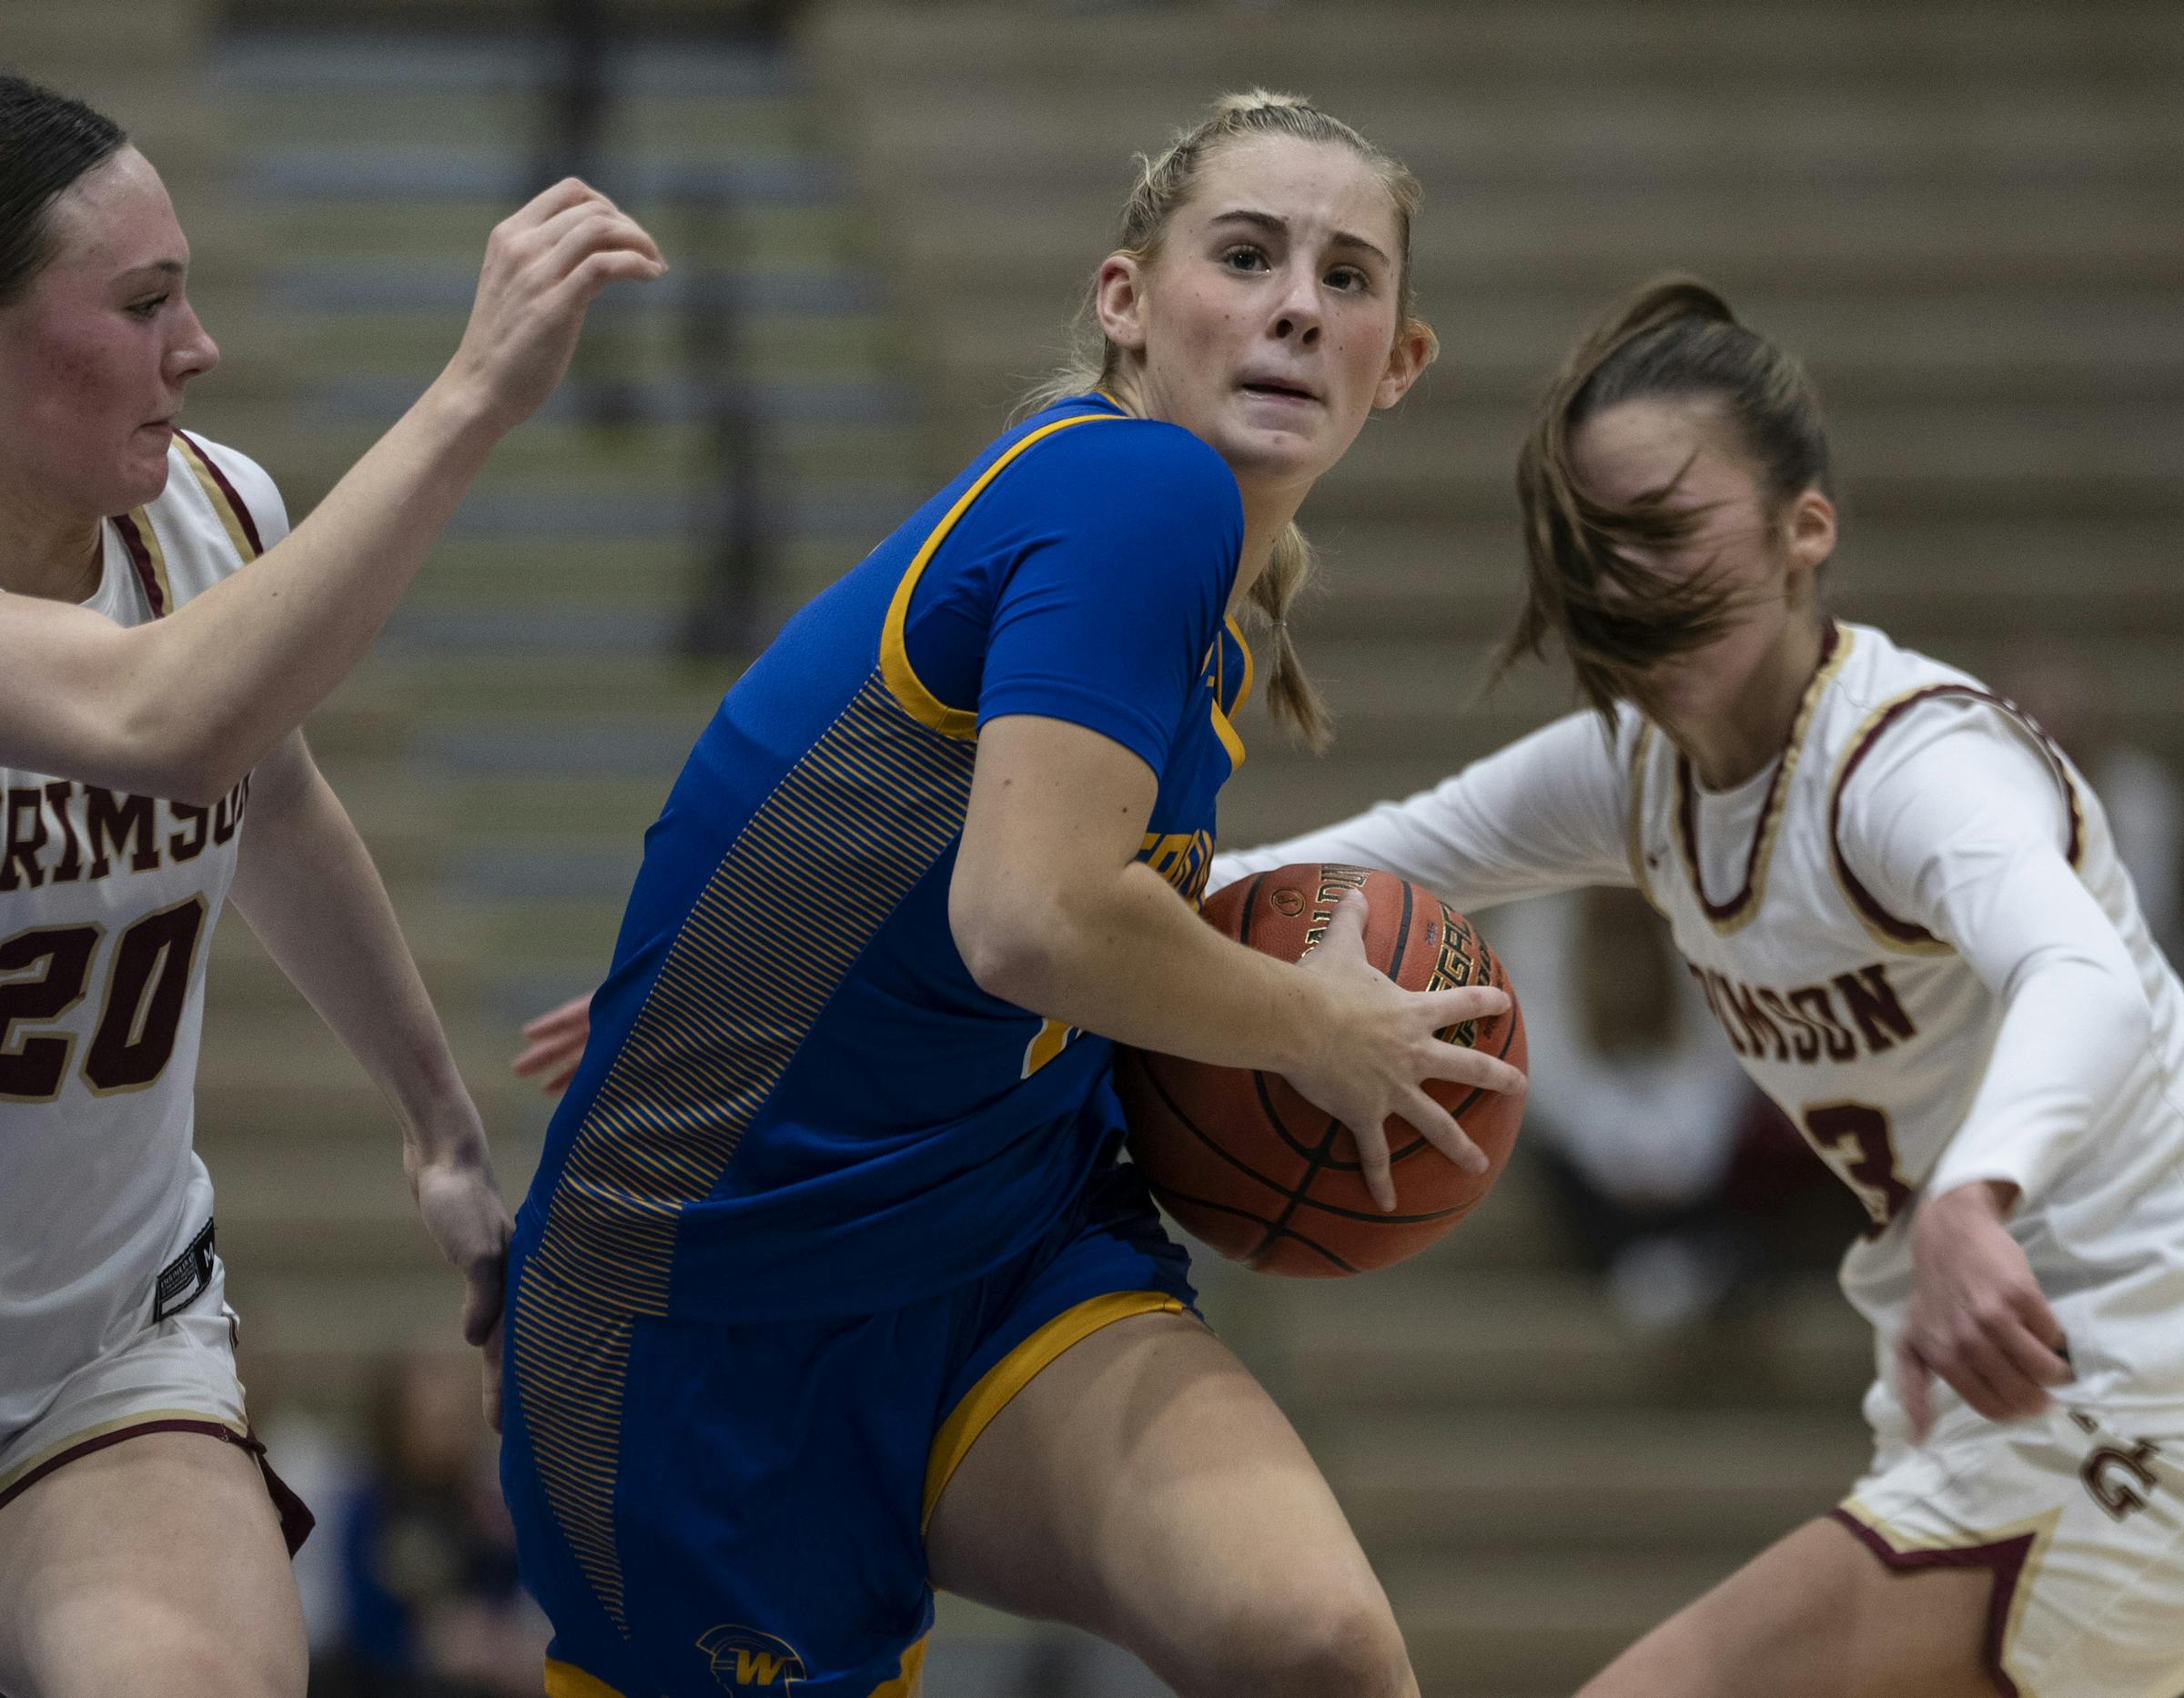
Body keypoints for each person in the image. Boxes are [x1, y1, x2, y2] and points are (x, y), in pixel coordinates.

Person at [498, 90, 1522, 1698]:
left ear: (1399, 361)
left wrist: (728, 961)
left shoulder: (1220, 613)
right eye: (1246, 255)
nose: (1295, 306)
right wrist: (1318, 1024)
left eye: (1346, 278)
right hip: (715, 1322)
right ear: (1126, 301)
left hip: (1001, 1233)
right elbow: (1034, 919)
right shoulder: (1135, 493)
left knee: (1317, 1647)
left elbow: (943, 865)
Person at [1211, 278, 2184, 1698]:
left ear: (1808, 531)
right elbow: (1320, 870)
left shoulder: (1910, 764)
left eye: (1672, 528)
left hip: (2124, 1387)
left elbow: (2085, 974)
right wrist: (1025, 889)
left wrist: (1976, 1194)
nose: (1631, 576)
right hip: (1994, 1410)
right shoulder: (1637, 772)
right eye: (1599, 544)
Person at [0, 74, 662, 1698]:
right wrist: (471, 396)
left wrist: (440, 1123)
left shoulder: (217, 514)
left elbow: (270, 793)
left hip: (106, 1344)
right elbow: (165, 719)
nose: (199, 344)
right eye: (144, 303)